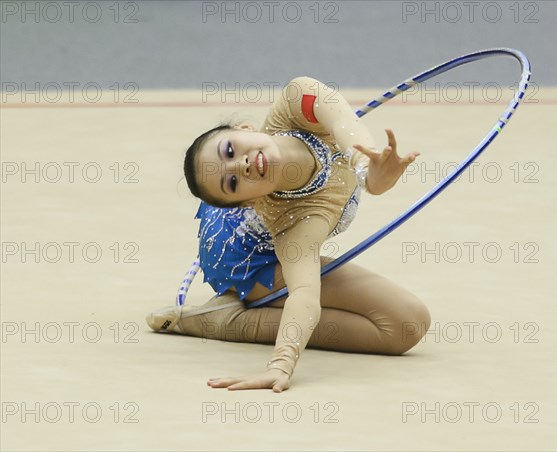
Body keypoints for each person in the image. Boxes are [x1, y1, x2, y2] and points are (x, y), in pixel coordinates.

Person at [146, 76, 431, 392]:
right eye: (232, 183)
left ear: (244, 129)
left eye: (229, 150)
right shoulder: (296, 226)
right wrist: (281, 364)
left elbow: (339, 117)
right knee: (406, 325)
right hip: (248, 262)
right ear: (251, 201)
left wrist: (369, 170)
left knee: (404, 321)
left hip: (242, 225)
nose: (241, 166)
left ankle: (236, 306)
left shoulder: (298, 99)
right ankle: (224, 321)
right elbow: (305, 295)